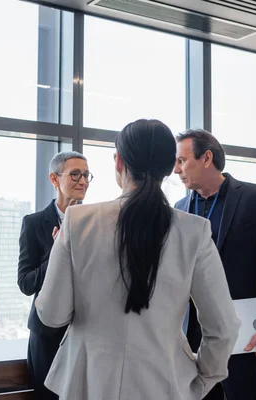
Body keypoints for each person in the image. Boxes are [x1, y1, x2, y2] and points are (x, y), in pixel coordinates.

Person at [35, 119, 240, 400]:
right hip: (165, 382)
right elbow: (224, 327)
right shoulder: (194, 231)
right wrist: (200, 380)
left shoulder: (78, 221)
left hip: (87, 383)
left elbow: (51, 314)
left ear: (118, 162)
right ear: (171, 167)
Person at [174, 129, 256, 400]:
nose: (175, 169)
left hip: (243, 336)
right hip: (191, 337)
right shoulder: (178, 208)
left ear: (206, 158)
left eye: (182, 161)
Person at [17, 151, 92, 400]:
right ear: (54, 178)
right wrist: (57, 252)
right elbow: (26, 283)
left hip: (86, 331)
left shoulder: (96, 223)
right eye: (75, 174)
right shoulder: (34, 223)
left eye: (86, 175)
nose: (83, 181)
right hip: (47, 334)